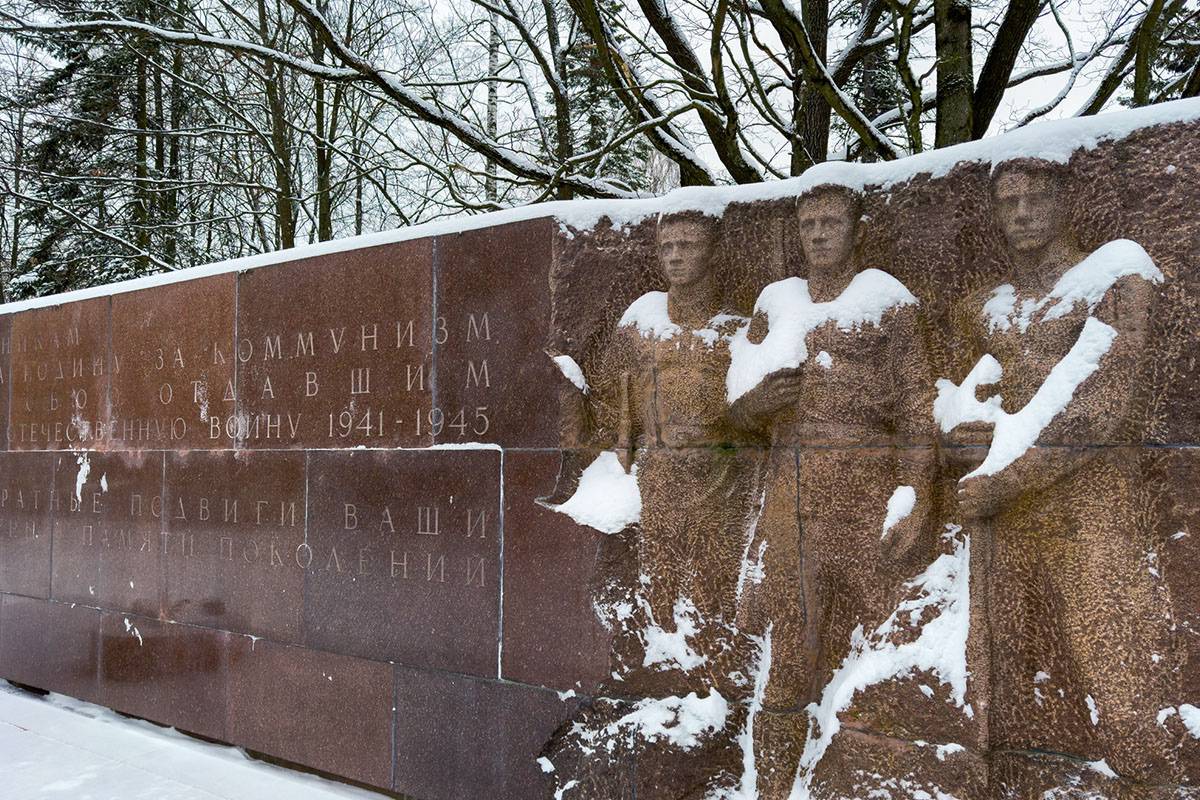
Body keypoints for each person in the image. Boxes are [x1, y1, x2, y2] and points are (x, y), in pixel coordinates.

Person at [944, 158, 1173, 786]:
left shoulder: (1114, 277)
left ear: (1066, 202)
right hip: (1001, 522)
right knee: (1002, 681)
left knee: (1118, 672)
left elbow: (1098, 405)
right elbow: (956, 400)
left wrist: (1005, 479)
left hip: (1088, 509)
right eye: (1008, 202)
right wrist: (960, 435)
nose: (1021, 213)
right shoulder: (983, 309)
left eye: (1036, 198)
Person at [729, 184, 937, 797]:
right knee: (790, 656)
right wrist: (756, 402)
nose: (819, 234)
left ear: (857, 229)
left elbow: (917, 407)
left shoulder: (887, 302)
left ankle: (865, 777)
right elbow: (735, 404)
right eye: (809, 224)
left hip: (867, 492)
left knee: (883, 637)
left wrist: (917, 496)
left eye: (832, 222)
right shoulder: (776, 304)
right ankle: (771, 786)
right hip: (793, 499)